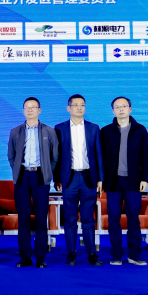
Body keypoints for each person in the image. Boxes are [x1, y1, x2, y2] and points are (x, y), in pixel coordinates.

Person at [7, 97, 59, 268]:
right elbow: (11, 156)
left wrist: (47, 171)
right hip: (22, 176)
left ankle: (40, 256)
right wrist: (18, 169)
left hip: (40, 176)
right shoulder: (15, 131)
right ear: (23, 110)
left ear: (39, 110)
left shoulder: (49, 131)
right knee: (23, 218)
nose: (30, 110)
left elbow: (54, 156)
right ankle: (25, 256)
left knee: (41, 218)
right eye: (27, 107)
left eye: (33, 107)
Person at [100, 96, 148, 266]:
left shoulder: (140, 130)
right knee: (113, 218)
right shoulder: (106, 131)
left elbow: (146, 156)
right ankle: (116, 254)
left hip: (133, 181)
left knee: (133, 219)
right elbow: (100, 157)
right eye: (117, 107)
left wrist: (145, 178)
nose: (121, 109)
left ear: (130, 109)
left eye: (124, 106)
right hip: (113, 182)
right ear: (113, 110)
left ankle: (134, 254)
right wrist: (101, 179)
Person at [54, 94, 104, 266]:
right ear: (68, 108)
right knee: (70, 217)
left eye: (82, 105)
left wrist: (100, 179)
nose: (79, 108)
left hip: (89, 177)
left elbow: (99, 155)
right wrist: (57, 178)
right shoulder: (59, 128)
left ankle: (92, 253)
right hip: (69, 178)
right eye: (75, 105)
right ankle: (71, 253)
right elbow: (56, 156)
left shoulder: (93, 128)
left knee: (88, 218)